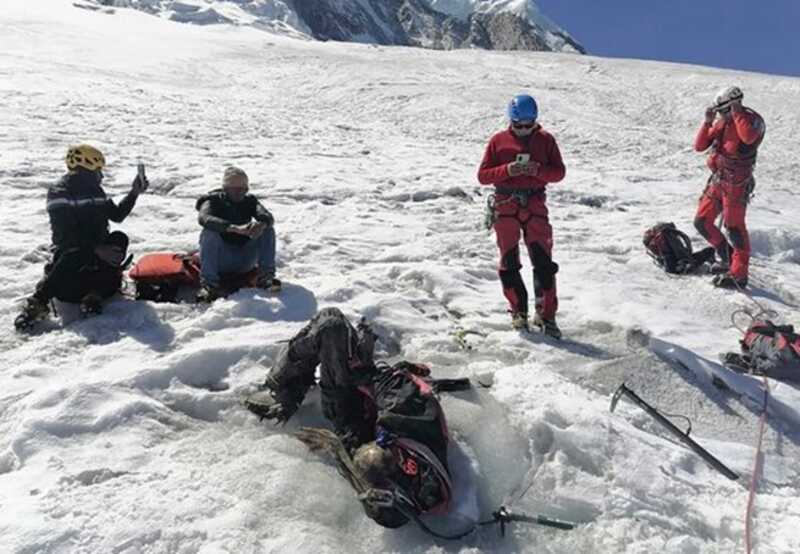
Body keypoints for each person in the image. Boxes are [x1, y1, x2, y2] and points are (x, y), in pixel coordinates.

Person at [245, 308, 454, 528]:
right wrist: (369, 374)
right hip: (370, 401)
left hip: (350, 413)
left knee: (331, 324)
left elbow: (362, 465)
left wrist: (335, 444)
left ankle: (281, 391)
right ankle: (289, 386)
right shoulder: (413, 428)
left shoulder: (400, 487)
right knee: (334, 325)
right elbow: (391, 386)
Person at [14, 144, 146, 331]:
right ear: (84, 170)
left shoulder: (96, 191)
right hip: (72, 262)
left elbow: (116, 215)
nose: (101, 176)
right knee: (72, 252)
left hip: (97, 258)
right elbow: (64, 237)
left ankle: (94, 294)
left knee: (119, 238)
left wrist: (134, 193)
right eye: (97, 171)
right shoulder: (60, 192)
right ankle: (38, 303)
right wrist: (96, 249)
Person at [477, 94, 566, 338]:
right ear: (511, 121)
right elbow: (483, 176)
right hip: (506, 205)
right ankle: (518, 312)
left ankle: (546, 315)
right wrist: (508, 170)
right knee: (509, 262)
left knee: (544, 263)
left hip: (535, 205)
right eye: (519, 125)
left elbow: (559, 173)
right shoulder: (498, 141)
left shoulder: (546, 140)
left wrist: (538, 170)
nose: (524, 130)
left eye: (529, 125)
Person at [693, 86, 765, 289]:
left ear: (734, 105)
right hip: (718, 180)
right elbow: (700, 146)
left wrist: (737, 112)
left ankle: (739, 274)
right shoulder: (722, 122)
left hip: (736, 183)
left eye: (723, 110)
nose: (720, 115)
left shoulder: (751, 120)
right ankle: (727, 258)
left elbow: (748, 137)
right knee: (701, 221)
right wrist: (708, 121)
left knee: (734, 228)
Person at [195, 166, 280, 301]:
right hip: (221, 260)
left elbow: (267, 216)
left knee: (267, 230)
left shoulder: (249, 201)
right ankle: (209, 285)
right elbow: (204, 218)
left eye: (244, 189)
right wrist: (233, 228)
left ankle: (266, 278)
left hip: (245, 258)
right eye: (236, 189)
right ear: (225, 189)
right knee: (209, 232)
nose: (240, 193)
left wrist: (261, 224)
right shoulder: (212, 201)